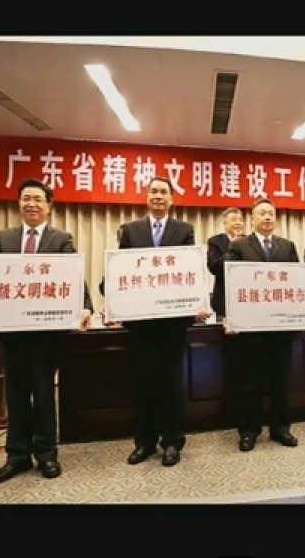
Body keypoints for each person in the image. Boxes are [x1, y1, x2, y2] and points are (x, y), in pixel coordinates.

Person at [0, 178, 93, 484]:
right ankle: (17, 456)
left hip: (45, 335)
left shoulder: (61, 240)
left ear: (49, 206)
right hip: (11, 333)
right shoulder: (4, 238)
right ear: (19, 203)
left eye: (38, 199)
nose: (31, 204)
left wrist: (85, 306)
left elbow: (74, 277)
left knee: (43, 392)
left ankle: (46, 454)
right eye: (26, 198)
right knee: (15, 394)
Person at [100, 176, 210, 467]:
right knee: (144, 383)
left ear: (172, 199)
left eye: (163, 192)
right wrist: (111, 296)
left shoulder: (184, 230)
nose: (158, 196)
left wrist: (197, 300)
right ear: (146, 197)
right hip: (141, 325)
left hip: (172, 323)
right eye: (154, 191)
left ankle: (172, 442)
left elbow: (189, 271)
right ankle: (144, 442)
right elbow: (120, 269)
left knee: (172, 383)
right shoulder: (131, 230)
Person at [225, 198, 300, 452]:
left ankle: (281, 428)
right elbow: (232, 283)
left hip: (281, 329)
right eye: (262, 214)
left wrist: (302, 315)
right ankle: (248, 431)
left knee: (281, 382)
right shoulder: (239, 246)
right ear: (253, 219)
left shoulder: (287, 246)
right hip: (251, 330)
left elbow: (297, 282)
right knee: (250, 383)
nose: (267, 217)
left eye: (271, 213)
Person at [207, 207, 245, 318]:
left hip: (244, 296)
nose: (237, 223)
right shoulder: (215, 241)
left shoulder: (249, 241)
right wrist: (233, 247)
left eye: (240, 220)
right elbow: (213, 268)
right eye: (233, 220)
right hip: (223, 298)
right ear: (225, 223)